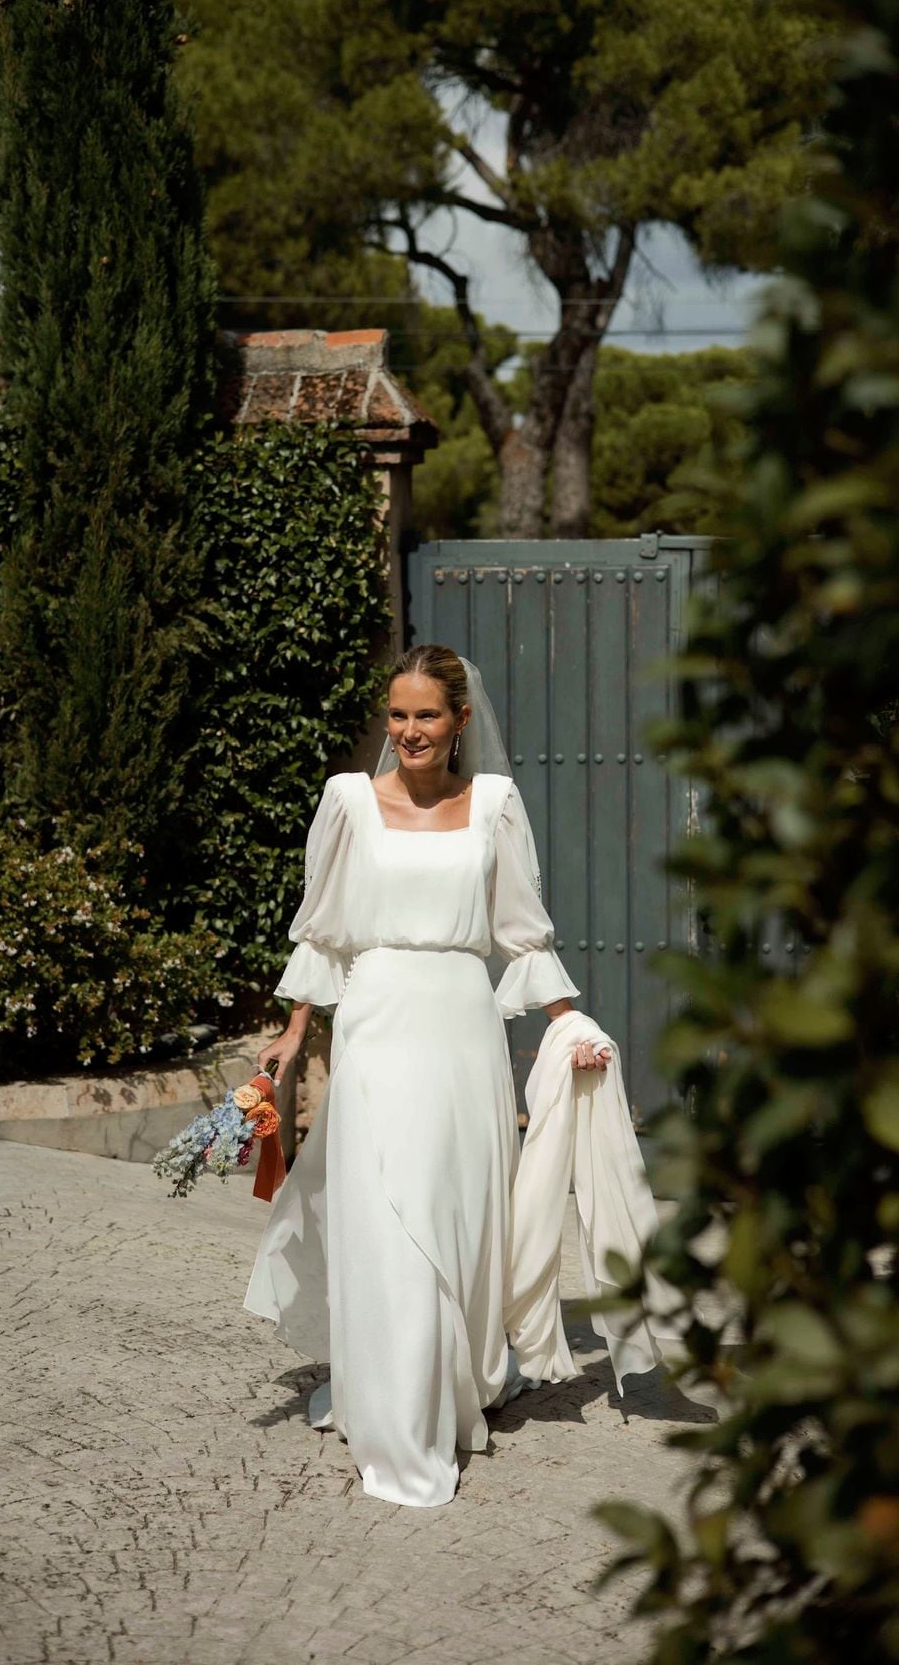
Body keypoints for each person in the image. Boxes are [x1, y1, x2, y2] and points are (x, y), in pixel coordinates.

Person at [244, 644, 669, 1508]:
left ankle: (454, 1380)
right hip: (376, 1029)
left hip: (462, 1033)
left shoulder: (497, 807)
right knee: (388, 1218)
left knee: (456, 1216)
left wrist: (570, 1025)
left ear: (460, 720)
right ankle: (400, 1421)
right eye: (397, 716)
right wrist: (294, 1034)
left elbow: (522, 933)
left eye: (427, 715)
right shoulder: (347, 803)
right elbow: (321, 933)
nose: (409, 731)